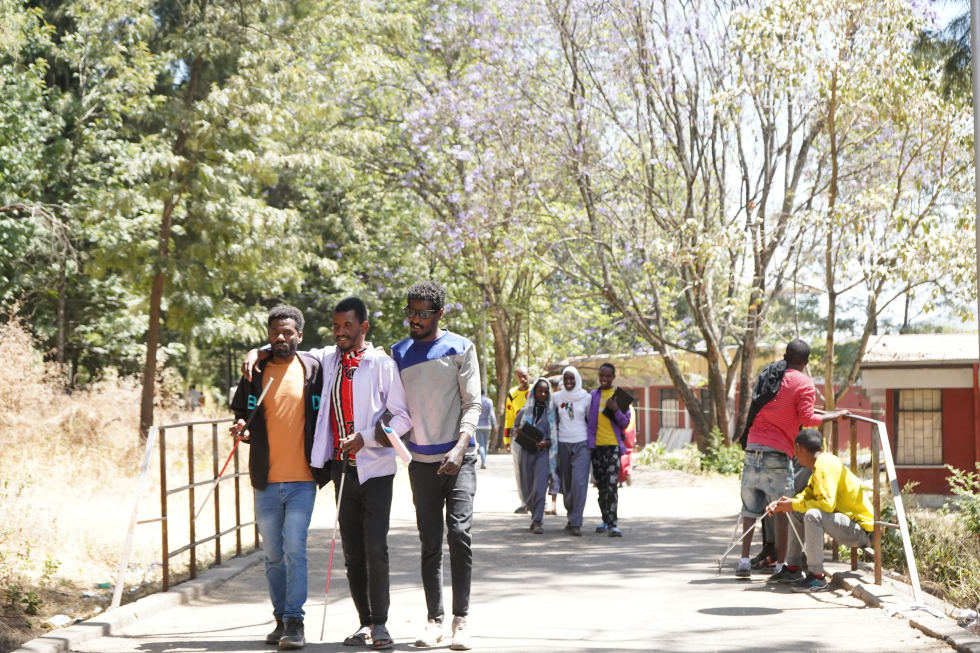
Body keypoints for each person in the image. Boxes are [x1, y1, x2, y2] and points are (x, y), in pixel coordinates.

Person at [242, 298, 413, 650]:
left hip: (375, 469)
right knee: (351, 552)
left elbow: (402, 419)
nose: (340, 332)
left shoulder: (382, 364)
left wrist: (367, 437)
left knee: (375, 548)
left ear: (363, 327)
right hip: (341, 470)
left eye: (347, 326)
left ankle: (381, 624)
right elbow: (287, 343)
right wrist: (258, 350)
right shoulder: (327, 359)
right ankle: (364, 623)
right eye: (335, 327)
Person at [385, 281, 481, 651]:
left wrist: (460, 446)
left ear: (440, 314)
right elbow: (393, 404)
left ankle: (461, 620)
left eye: (423, 313)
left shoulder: (461, 347)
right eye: (410, 311)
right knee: (429, 543)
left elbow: (473, 402)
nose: (414, 319)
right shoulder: (397, 353)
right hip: (420, 462)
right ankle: (434, 621)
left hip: (458, 458)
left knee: (458, 534)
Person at [230, 306, 329, 649]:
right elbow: (242, 414)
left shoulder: (314, 367)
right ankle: (280, 619)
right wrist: (241, 428)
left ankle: (295, 622)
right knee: (272, 554)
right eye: (275, 333)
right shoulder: (255, 370)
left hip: (303, 478)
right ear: (268, 335)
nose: (281, 338)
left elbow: (354, 350)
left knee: (294, 548)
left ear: (300, 336)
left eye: (288, 332)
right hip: (265, 480)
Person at [735, 339, 849, 579]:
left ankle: (744, 561)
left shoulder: (768, 374)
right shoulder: (804, 383)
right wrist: (835, 415)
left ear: (786, 356)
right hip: (777, 453)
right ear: (806, 363)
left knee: (749, 510)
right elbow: (807, 418)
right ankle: (781, 566)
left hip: (753, 447)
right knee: (783, 509)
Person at [766, 428, 873, 592]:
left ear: (799, 448)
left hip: (862, 531)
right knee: (795, 509)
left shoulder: (824, 466)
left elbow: (826, 505)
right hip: (847, 525)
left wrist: (794, 504)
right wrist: (785, 503)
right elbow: (807, 496)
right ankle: (793, 570)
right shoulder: (820, 466)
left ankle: (817, 578)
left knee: (812, 515)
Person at [587, 363, 631, 538]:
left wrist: (616, 410)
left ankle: (613, 524)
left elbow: (625, 423)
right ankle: (605, 519)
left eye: (608, 376)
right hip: (595, 448)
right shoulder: (592, 396)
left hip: (613, 447)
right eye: (602, 376)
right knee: (602, 487)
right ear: (598, 375)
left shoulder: (619, 396)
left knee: (612, 485)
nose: (604, 379)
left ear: (613, 377)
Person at [513, 378, 556, 533]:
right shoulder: (525, 411)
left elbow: (556, 435)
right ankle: (534, 513)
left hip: (543, 454)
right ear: (534, 392)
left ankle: (538, 520)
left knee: (540, 486)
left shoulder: (552, 412)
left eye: (545, 391)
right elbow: (515, 428)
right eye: (540, 391)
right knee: (527, 486)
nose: (543, 394)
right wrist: (518, 431)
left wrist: (547, 443)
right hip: (526, 451)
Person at [553, 366, 591, 537]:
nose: (569, 382)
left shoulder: (587, 398)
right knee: (567, 484)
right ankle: (571, 514)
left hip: (581, 443)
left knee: (579, 483)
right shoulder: (556, 397)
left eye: (572, 378)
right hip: (563, 444)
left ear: (577, 379)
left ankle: (576, 522)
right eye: (566, 378)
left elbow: (590, 420)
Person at [504, 367, 531, 514]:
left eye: (525, 375)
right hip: (518, 436)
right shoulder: (512, 394)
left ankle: (540, 501)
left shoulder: (536, 390)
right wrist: (506, 439)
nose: (523, 379)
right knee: (519, 470)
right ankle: (524, 502)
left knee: (535, 469)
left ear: (529, 375)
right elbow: (509, 417)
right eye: (519, 376)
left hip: (534, 436)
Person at [475, 387, 497, 469]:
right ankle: (484, 461)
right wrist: (495, 425)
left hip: (478, 425)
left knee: (481, 444)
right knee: (485, 444)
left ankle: (483, 462)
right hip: (487, 426)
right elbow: (492, 414)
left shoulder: (476, 401)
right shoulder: (488, 401)